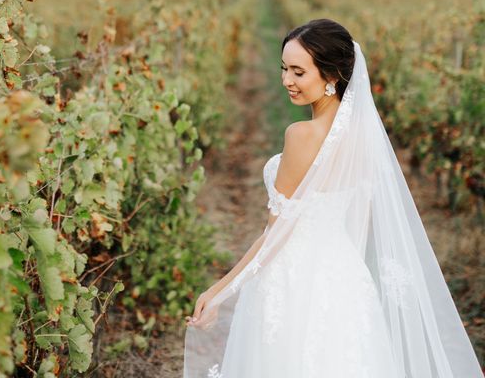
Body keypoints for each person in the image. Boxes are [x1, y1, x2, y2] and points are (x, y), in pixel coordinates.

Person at [182, 19, 483, 377]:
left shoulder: (301, 135)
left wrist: (219, 291)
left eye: (298, 71)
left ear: (332, 76)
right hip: (345, 276)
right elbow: (359, 220)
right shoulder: (365, 138)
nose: (286, 81)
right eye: (284, 69)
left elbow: (276, 234)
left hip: (293, 280)